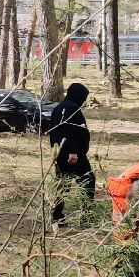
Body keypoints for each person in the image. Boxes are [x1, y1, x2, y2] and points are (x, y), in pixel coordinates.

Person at [46, 82, 94, 225]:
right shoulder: (71, 109)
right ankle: (86, 215)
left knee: (62, 185)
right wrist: (72, 152)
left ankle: (57, 216)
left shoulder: (59, 108)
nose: (84, 100)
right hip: (73, 155)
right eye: (83, 97)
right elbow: (69, 132)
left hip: (61, 154)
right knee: (87, 181)